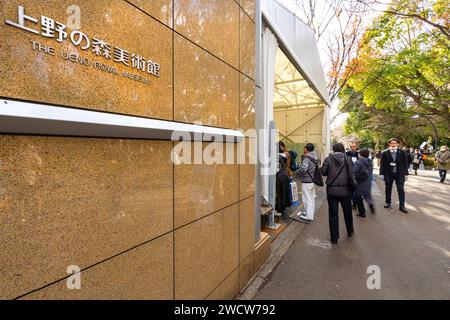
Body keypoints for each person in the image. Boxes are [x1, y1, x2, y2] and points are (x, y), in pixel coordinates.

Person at [321, 143, 354, 245]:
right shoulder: (348, 159)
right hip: (345, 190)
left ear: (334, 150)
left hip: (332, 190)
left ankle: (334, 237)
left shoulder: (328, 159)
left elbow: (323, 172)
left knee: (333, 214)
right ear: (343, 149)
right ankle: (350, 231)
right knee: (347, 212)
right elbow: (352, 173)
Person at [380, 138, 409, 214]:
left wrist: (406, 174)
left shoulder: (402, 152)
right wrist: (381, 173)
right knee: (388, 189)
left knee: (401, 190)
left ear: (398, 144)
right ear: (389, 144)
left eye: (395, 143)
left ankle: (402, 206)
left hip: (400, 174)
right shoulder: (385, 152)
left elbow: (405, 163)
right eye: (391, 143)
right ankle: (388, 202)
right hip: (388, 174)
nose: (393, 144)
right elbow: (382, 164)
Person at [295, 143, 318, 222]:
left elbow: (304, 168)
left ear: (306, 149)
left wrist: (296, 172)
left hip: (307, 181)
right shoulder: (315, 156)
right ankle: (310, 213)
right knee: (311, 198)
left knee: (306, 198)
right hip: (313, 180)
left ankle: (309, 216)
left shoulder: (307, 157)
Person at [352, 149, 375, 217]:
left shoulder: (358, 162)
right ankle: (371, 207)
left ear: (360, 154)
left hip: (360, 181)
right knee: (367, 195)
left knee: (358, 196)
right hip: (368, 181)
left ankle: (362, 212)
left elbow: (354, 171)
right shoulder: (370, 161)